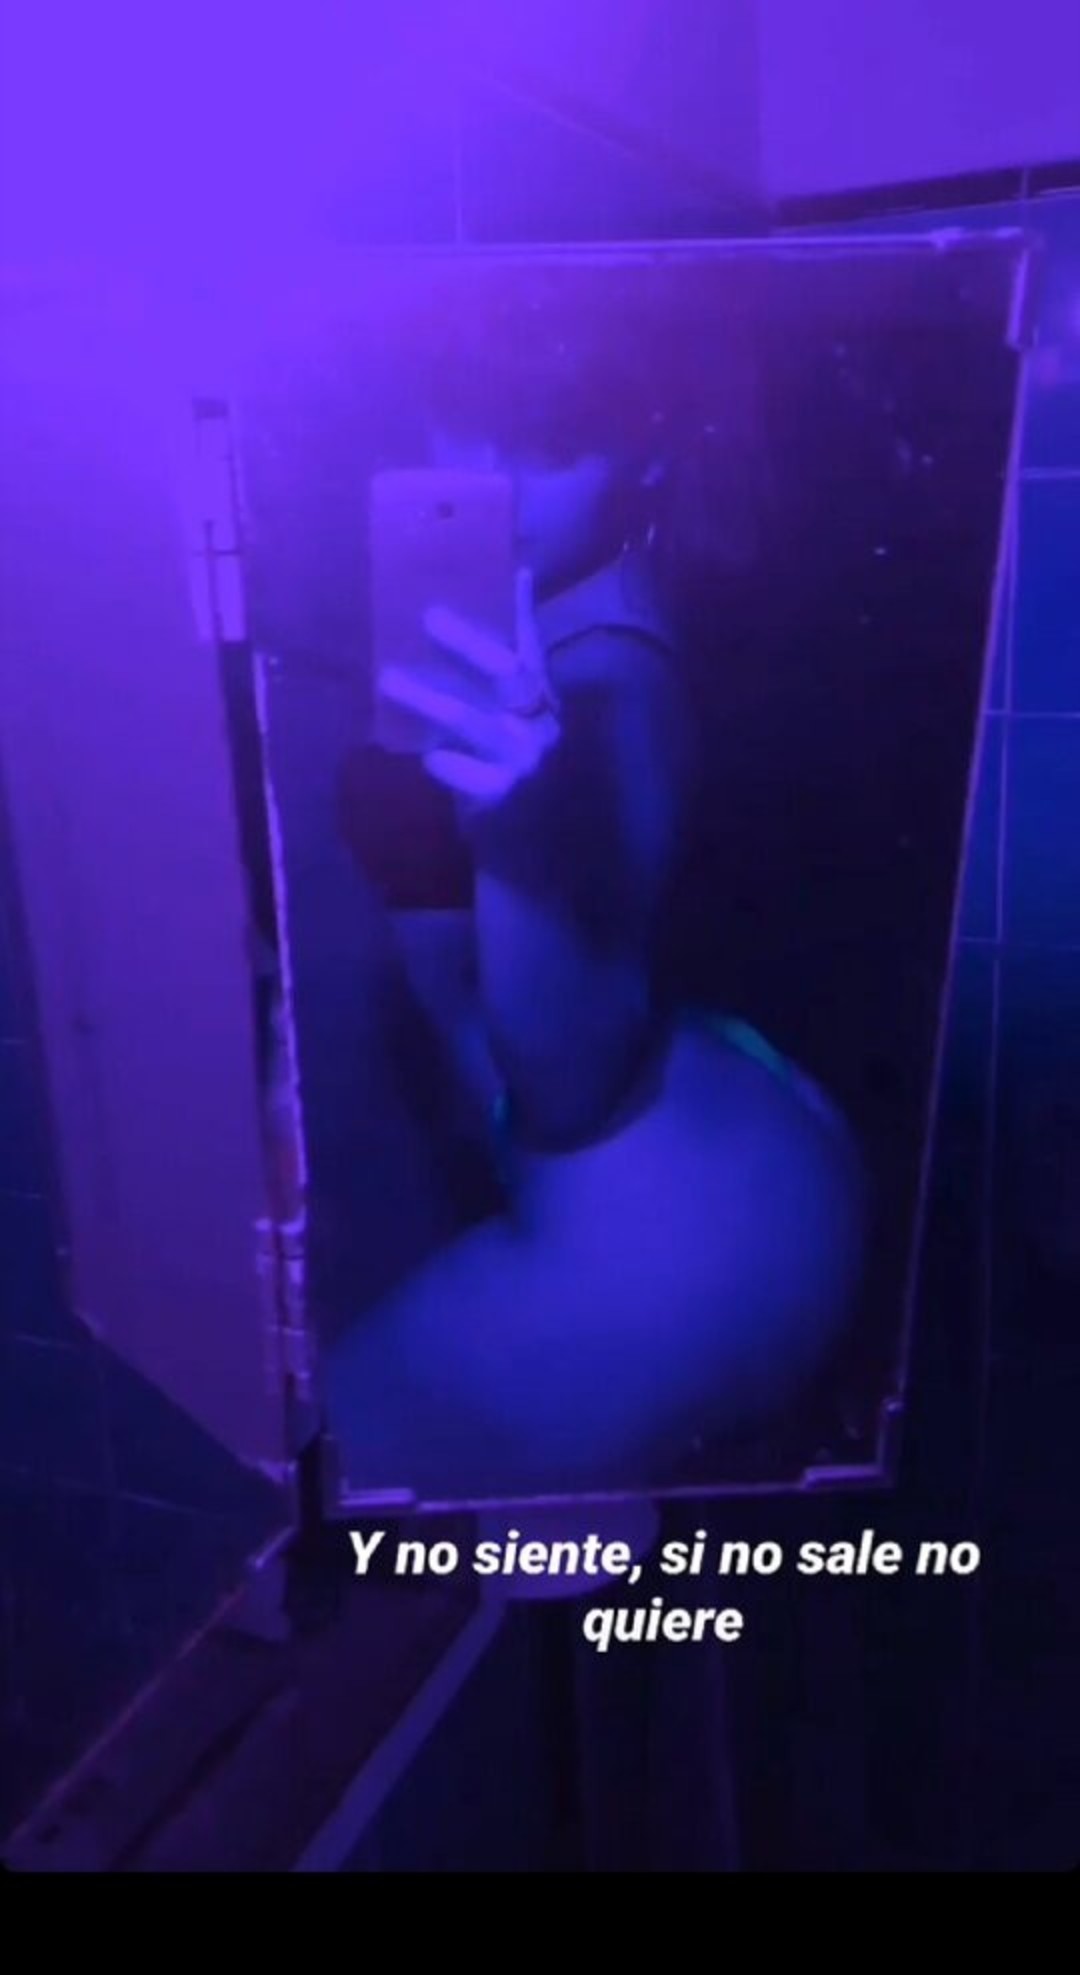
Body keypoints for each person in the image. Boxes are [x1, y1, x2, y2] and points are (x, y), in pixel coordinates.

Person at [324, 276, 867, 1496]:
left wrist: (515, 834)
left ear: (650, 455)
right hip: (741, 1177)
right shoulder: (585, 600)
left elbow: (567, 1088)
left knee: (303, 1521)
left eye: (554, 440)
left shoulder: (605, 680)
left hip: (651, 1245)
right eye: (462, 416)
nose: (494, 479)